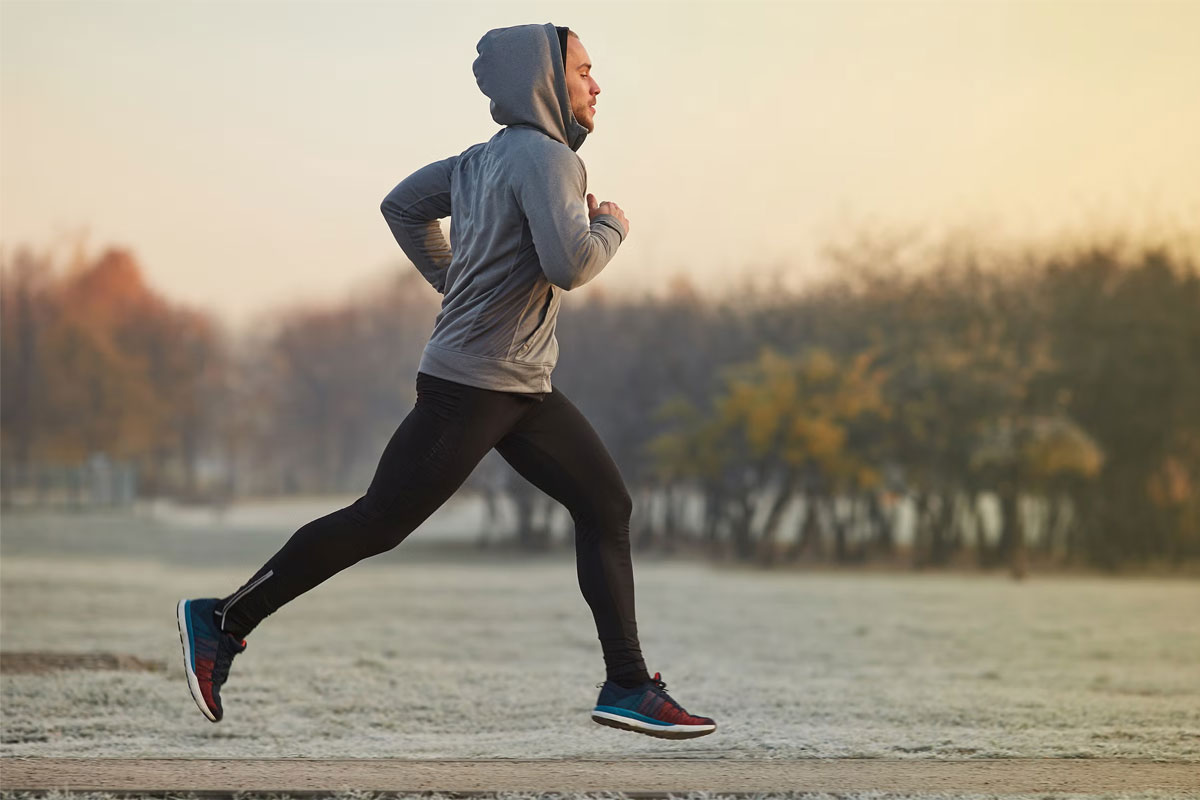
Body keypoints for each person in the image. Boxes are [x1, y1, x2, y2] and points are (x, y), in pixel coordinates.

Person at [177, 22, 716, 741]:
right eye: (584, 69)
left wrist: (451, 279)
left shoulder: (482, 160)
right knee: (379, 520)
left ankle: (626, 683)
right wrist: (612, 226)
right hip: (474, 386)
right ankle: (221, 620)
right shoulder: (551, 161)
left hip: (520, 386)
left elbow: (401, 205)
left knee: (605, 504)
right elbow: (571, 264)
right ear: (546, 80)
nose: (596, 84)